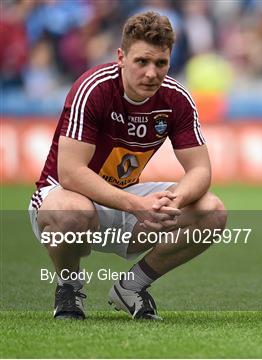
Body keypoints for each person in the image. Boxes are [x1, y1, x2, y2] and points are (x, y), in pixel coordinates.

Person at [28, 11, 227, 321]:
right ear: (121, 56)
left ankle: (131, 287)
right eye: (142, 62)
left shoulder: (177, 98)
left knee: (212, 210)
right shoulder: (93, 88)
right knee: (72, 212)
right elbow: (70, 173)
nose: (151, 73)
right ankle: (68, 286)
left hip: (123, 199)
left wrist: (176, 200)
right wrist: (137, 205)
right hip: (63, 197)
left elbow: (200, 170)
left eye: (160, 63)